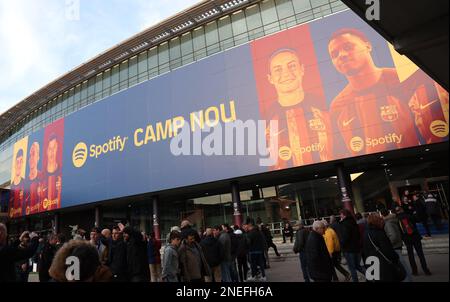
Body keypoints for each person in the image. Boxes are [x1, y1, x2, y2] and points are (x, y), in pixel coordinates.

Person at [328, 28, 419, 157]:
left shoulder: (403, 80)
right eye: (334, 54)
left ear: (368, 46)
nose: (341, 55)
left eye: (348, 47)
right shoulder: (337, 105)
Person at [264, 48, 333, 170]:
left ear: (302, 69)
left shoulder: (325, 107)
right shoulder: (266, 120)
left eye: (292, 66)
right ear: (270, 78)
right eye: (278, 70)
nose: (286, 73)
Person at [363, 213, 405, 282]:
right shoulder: (379, 233)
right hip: (384, 265)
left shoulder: (366, 233)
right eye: (380, 220)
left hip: (372, 263)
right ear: (377, 222)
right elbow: (388, 250)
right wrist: (395, 258)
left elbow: (366, 251)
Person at [395, 206, 432, 276]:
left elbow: (399, 231)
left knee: (410, 255)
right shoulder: (409, 216)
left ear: (397, 212)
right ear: (402, 210)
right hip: (415, 236)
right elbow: (417, 220)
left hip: (407, 238)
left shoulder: (397, 220)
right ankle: (426, 270)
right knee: (420, 254)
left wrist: (403, 239)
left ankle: (414, 271)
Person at [381, 208, 412, 282]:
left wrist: (389, 244)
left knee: (401, 264)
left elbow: (393, 236)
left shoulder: (388, 223)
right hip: (399, 243)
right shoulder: (394, 219)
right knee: (401, 263)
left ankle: (407, 279)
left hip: (395, 245)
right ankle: (408, 278)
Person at [339, 209, 365, 282]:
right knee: (357, 266)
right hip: (357, 247)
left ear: (344, 215)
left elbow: (345, 237)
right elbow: (358, 235)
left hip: (349, 249)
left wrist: (342, 244)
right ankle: (370, 276)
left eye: (341, 214)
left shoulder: (344, 224)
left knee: (352, 268)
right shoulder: (354, 222)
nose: (340, 216)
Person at [42, 133, 62, 211]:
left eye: (54, 148)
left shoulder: (61, 173)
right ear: (47, 151)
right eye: (50, 149)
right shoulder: (41, 176)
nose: (52, 152)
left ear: (57, 150)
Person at [25, 142, 42, 215]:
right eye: (30, 155)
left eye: (33, 154)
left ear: (38, 157)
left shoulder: (43, 177)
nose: (31, 158)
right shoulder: (24, 182)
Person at [9, 149, 25, 218]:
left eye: (21, 161)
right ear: (14, 164)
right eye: (17, 162)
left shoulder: (25, 184)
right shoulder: (11, 188)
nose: (19, 165)